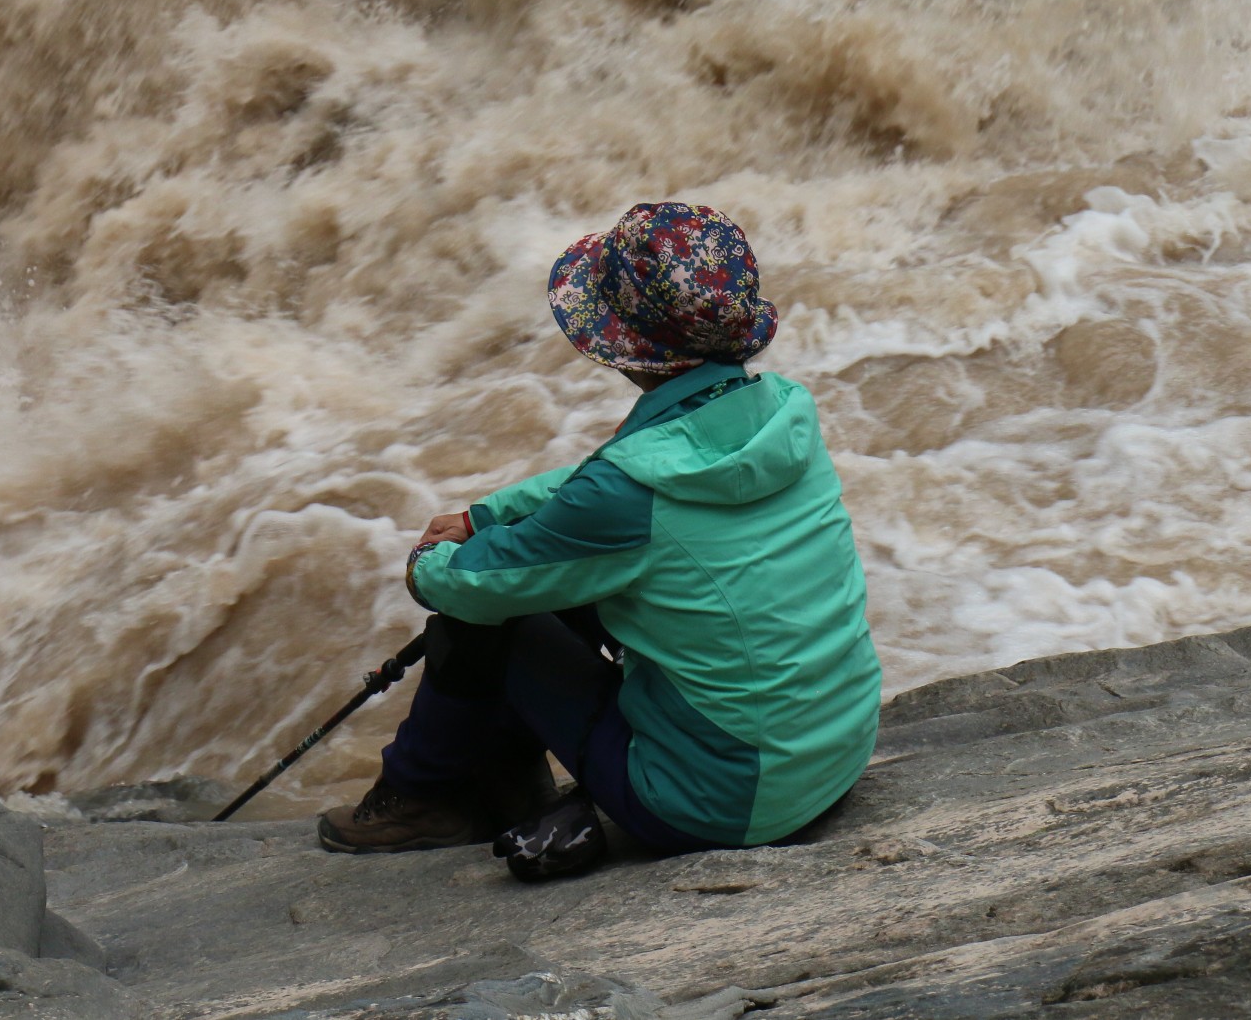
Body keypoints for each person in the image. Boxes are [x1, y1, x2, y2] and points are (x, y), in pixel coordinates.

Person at [317, 202, 881, 875]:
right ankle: (504, 785)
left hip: (721, 804)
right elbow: (616, 488)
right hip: (836, 751)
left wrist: (431, 560)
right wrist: (489, 512)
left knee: (485, 618)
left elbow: (475, 583)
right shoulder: (783, 413)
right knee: (561, 568)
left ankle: (419, 796)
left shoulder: (626, 492)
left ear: (621, 339)